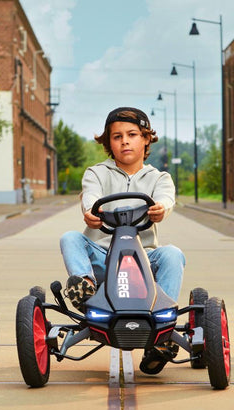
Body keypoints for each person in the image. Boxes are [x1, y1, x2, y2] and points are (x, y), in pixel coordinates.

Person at [59, 107, 185, 372]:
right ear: (109, 143)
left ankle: (163, 325)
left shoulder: (159, 178)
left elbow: (165, 199)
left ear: (146, 138)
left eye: (132, 134)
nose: (125, 141)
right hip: (102, 259)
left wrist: (160, 208)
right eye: (117, 137)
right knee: (70, 238)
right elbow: (91, 197)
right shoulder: (96, 173)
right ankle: (84, 287)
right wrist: (92, 212)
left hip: (143, 263)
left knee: (173, 254)